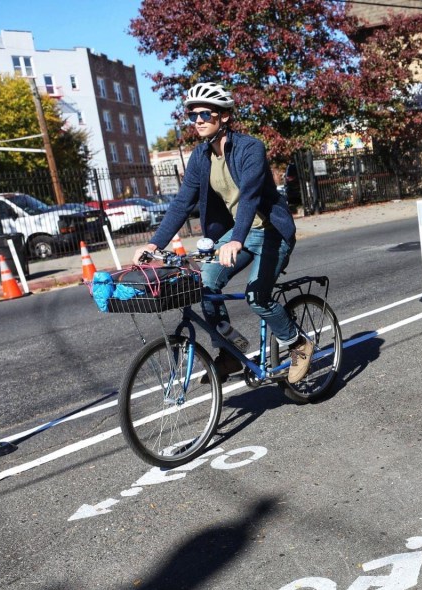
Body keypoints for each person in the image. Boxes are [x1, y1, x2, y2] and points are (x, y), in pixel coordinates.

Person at [132, 81, 312, 383]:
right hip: (238, 234)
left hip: (271, 233)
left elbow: (251, 196)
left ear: (224, 116)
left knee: (258, 296)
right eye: (193, 115)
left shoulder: (250, 148)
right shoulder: (201, 158)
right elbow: (181, 204)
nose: (198, 120)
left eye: (206, 113)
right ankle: (229, 350)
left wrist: (236, 239)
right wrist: (152, 244)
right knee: (204, 285)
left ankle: (297, 344)